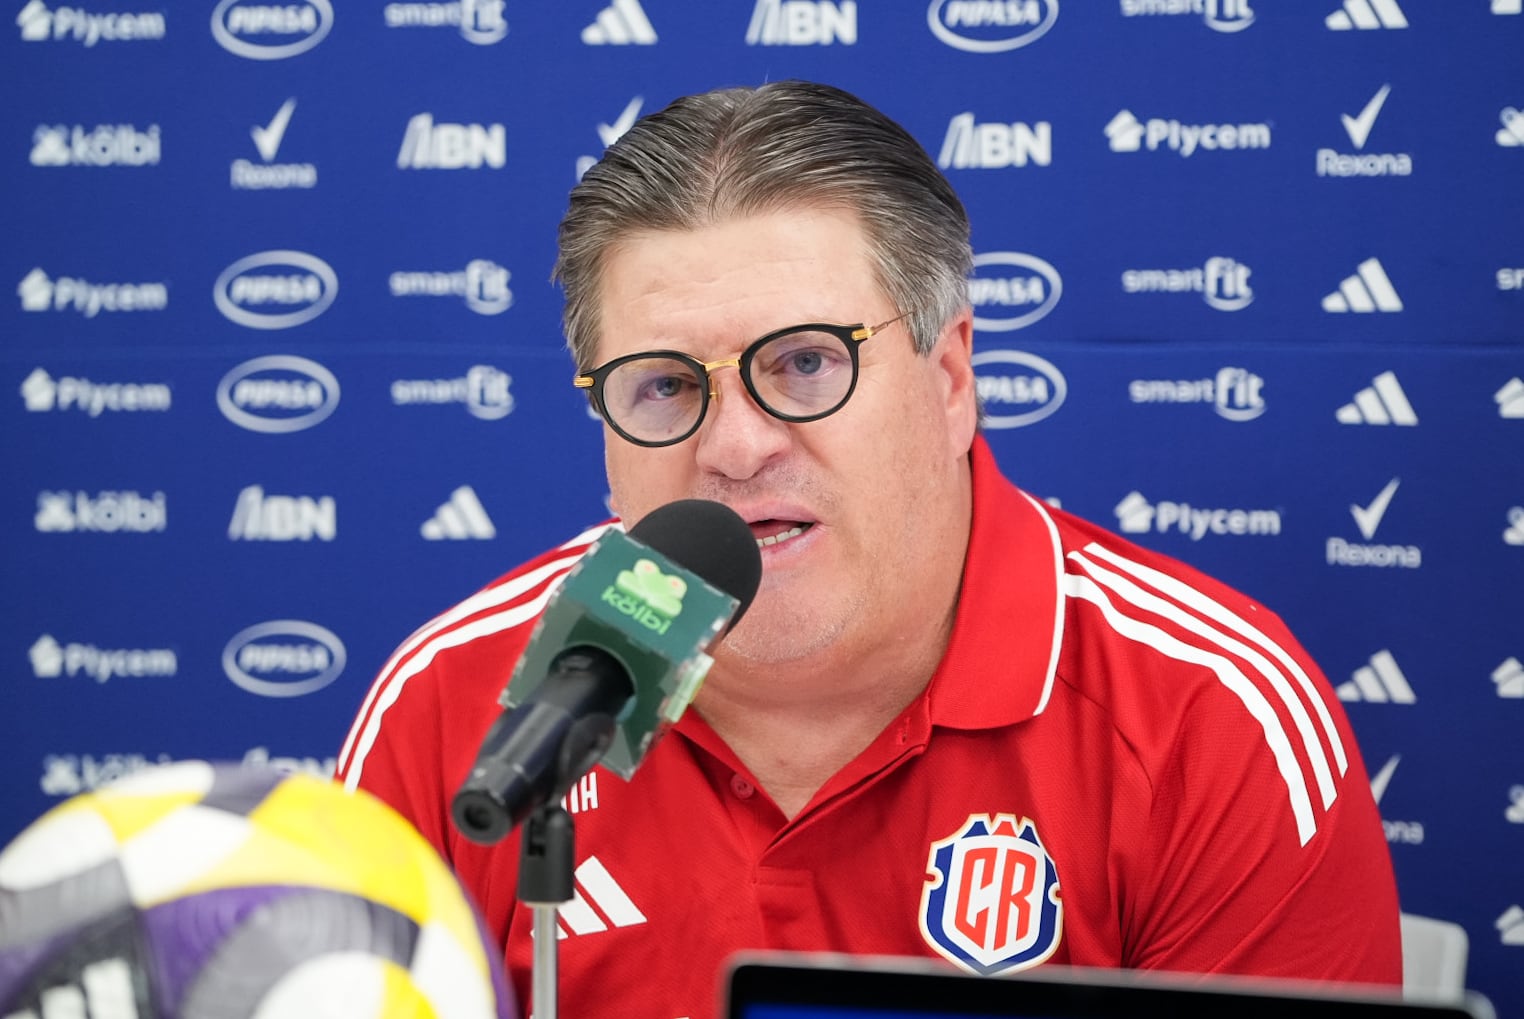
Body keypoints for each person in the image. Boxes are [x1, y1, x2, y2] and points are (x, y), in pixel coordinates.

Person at [335, 80, 1402, 1018]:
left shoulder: (1208, 721)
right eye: (663, 384)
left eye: (805, 363)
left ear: (951, 379)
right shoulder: (453, 706)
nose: (736, 446)